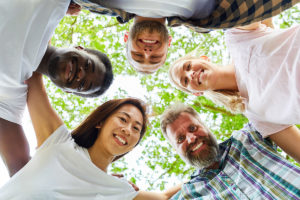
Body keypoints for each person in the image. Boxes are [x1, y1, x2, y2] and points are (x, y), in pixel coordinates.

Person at [0, 72, 180, 199]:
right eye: (123, 119)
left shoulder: (118, 189)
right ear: (100, 122)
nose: (128, 129)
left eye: (136, 129)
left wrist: (208, 168)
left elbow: (164, 197)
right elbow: (34, 77)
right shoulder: (59, 143)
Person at [0, 0, 113, 176]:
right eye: (88, 64)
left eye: (82, 85)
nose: (80, 74)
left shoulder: (12, 97)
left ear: (69, 91)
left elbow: (21, 170)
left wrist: (97, 182)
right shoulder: (53, 6)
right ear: (79, 48)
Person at [168, 19, 300, 163]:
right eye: (185, 81)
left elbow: (257, 9)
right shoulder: (257, 116)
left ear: (204, 58)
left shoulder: (237, 37)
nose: (190, 74)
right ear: (197, 93)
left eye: (188, 66)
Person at [72, 0, 298, 73]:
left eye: (138, 55)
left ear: (125, 39)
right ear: (168, 43)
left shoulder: (100, 4)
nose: (147, 52)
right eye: (155, 58)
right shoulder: (208, 19)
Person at [160, 103, 300, 199]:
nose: (191, 139)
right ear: (176, 150)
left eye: (192, 128)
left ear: (204, 126)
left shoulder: (248, 136)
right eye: (180, 139)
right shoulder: (187, 194)